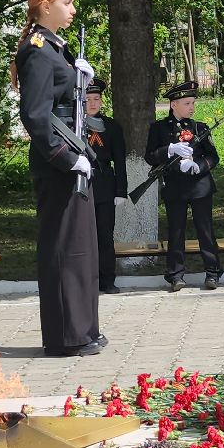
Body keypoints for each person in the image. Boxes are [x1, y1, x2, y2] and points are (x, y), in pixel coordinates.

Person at [13, 0, 103, 357]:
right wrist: (67, 158)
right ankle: (65, 336)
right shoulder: (36, 51)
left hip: (73, 157)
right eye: (66, 2)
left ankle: (83, 329)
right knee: (64, 249)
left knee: (81, 248)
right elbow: (34, 115)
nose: (73, 9)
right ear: (44, 5)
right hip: (58, 164)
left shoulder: (54, 49)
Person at [145, 81, 223, 291]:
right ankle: (176, 275)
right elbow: (150, 157)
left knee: (205, 230)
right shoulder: (159, 129)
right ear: (174, 105)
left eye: (192, 103)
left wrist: (198, 166)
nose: (191, 107)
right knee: (176, 232)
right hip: (175, 187)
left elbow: (213, 156)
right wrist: (168, 150)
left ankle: (212, 273)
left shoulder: (200, 128)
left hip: (200, 187)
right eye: (187, 103)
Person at [84, 78, 128, 294]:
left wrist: (121, 191)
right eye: (88, 99)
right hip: (81, 185)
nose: (93, 104)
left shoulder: (112, 127)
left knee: (104, 236)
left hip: (104, 184)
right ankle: (85, 281)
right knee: (82, 236)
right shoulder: (74, 125)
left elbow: (119, 161)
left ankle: (107, 280)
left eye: (96, 99)